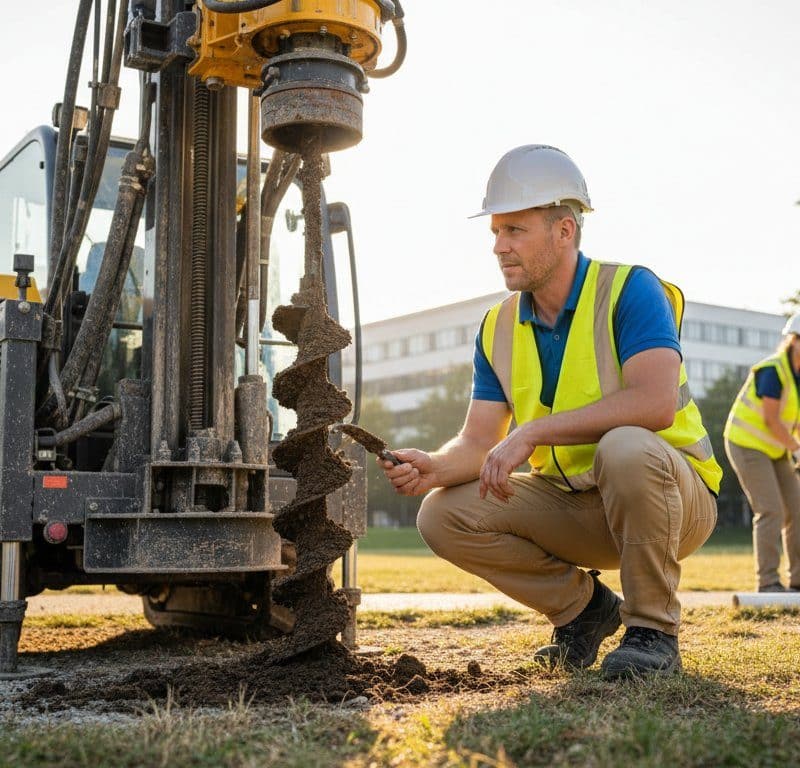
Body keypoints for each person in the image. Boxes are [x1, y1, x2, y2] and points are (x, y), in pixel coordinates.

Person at [379, 145, 722, 679]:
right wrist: (435, 466)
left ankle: (653, 632)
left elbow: (654, 403)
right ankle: (583, 611)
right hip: (576, 504)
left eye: (515, 230)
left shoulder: (630, 290)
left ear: (565, 230)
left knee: (626, 445)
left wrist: (533, 432)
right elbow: (479, 441)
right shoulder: (497, 326)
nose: (499, 246)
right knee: (441, 514)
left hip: (672, 499)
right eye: (496, 231)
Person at [723, 314, 800, 593]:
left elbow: (794, 421)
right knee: (771, 509)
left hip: (775, 448)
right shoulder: (773, 370)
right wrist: (797, 449)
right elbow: (771, 420)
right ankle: (768, 582)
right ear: (794, 341)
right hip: (746, 444)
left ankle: (798, 581)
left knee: (797, 509)